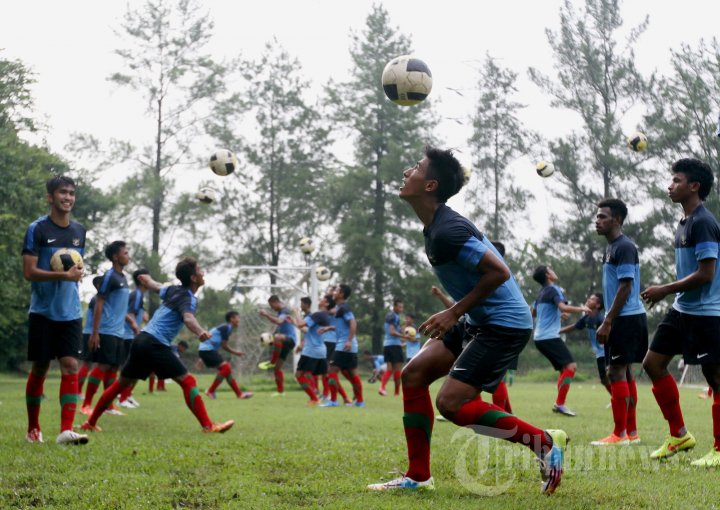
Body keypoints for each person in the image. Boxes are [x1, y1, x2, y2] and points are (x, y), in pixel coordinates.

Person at [368, 146, 567, 495]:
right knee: (413, 375)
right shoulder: (434, 227)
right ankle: (418, 477)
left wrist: (453, 311)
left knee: (452, 405)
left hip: (504, 324)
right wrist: (459, 312)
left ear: (430, 185)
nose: (406, 172)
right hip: (479, 319)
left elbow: (498, 272)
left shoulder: (448, 230)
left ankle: (544, 443)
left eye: (415, 167)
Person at [80, 257, 234, 434]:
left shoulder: (172, 289)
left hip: (141, 340)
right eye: (200, 270)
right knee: (188, 381)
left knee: (120, 384)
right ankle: (208, 426)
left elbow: (155, 285)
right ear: (193, 278)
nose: (203, 273)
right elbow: (188, 318)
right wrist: (200, 332)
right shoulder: (188, 298)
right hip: (155, 343)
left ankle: (90, 423)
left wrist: (145, 279)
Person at [641, 158, 720, 466]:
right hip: (681, 309)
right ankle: (679, 435)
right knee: (653, 363)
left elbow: (706, 274)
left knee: (715, 378)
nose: (670, 186)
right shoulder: (684, 222)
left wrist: (664, 289)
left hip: (707, 313)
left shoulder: (703, 222)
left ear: (694, 186)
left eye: (676, 180)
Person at [22, 175, 89, 445]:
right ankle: (33, 429)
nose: (68, 197)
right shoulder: (37, 229)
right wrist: (64, 275)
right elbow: (29, 272)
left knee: (71, 366)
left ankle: (66, 431)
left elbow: (75, 266)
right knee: (40, 368)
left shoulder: (79, 231)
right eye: (62, 192)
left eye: (71, 193)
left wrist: (77, 273)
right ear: (50, 197)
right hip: (43, 312)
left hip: (71, 311)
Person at [589, 199, 647, 445]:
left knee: (615, 372)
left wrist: (608, 320)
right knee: (625, 371)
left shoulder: (624, 246)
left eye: (602, 216)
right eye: (597, 216)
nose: (597, 221)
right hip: (625, 317)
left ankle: (619, 434)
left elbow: (626, 286)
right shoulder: (611, 247)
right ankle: (631, 432)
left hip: (625, 318)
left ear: (617, 219)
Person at [80, 241, 131, 416]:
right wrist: (95, 333)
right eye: (125, 253)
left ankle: (108, 405)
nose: (128, 255)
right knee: (102, 366)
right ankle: (86, 404)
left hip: (119, 332)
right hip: (106, 330)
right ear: (116, 257)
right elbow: (100, 303)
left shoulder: (123, 277)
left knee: (113, 368)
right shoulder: (110, 276)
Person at [531, 265, 589, 416]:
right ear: (548, 275)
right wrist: (583, 309)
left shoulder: (540, 293)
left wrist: (556, 314)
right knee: (571, 367)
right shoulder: (554, 289)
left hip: (539, 338)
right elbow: (564, 307)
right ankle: (560, 404)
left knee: (564, 370)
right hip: (549, 336)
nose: (553, 271)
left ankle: (560, 404)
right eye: (551, 269)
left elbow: (534, 313)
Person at [321, 284, 365, 407]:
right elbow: (341, 325)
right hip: (348, 345)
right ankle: (360, 401)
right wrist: (329, 328)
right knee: (352, 373)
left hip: (344, 344)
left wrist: (349, 340)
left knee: (331, 370)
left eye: (336, 290)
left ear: (341, 294)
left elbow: (353, 323)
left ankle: (333, 400)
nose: (334, 292)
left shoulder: (344, 308)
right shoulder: (340, 308)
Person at [560, 293, 610, 394]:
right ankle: (615, 398)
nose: (588, 300)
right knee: (604, 380)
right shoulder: (586, 318)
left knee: (611, 376)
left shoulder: (601, 319)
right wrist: (557, 331)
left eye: (592, 299)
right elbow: (574, 326)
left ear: (598, 305)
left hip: (606, 353)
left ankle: (619, 398)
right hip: (599, 354)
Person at [200, 311, 253, 400]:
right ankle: (210, 390)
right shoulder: (226, 328)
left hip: (207, 351)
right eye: (238, 318)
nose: (239, 320)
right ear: (232, 319)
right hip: (207, 350)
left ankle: (239, 394)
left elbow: (216, 343)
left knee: (227, 372)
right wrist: (236, 352)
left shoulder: (227, 328)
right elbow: (224, 346)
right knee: (226, 368)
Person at [117, 268, 150, 408]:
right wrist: (136, 327)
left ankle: (127, 395)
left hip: (131, 335)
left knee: (136, 367)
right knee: (131, 368)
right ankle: (122, 397)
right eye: (149, 277)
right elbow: (128, 313)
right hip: (128, 335)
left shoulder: (139, 296)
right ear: (142, 280)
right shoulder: (136, 294)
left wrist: (143, 314)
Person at [292, 297, 330, 405]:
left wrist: (296, 313)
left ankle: (314, 397)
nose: (300, 305)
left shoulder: (313, 316)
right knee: (322, 374)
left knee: (299, 375)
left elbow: (301, 325)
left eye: (301, 303)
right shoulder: (322, 317)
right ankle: (325, 395)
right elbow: (308, 331)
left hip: (311, 351)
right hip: (321, 351)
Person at [258, 295, 297, 396]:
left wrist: (266, 314)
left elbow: (279, 321)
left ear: (276, 302)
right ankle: (280, 392)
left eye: (272, 306)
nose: (272, 308)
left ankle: (272, 361)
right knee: (277, 369)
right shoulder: (280, 312)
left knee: (277, 337)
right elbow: (280, 325)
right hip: (284, 342)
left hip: (290, 339)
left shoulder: (285, 310)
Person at [379, 299, 411, 396]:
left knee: (389, 369)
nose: (401, 309)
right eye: (399, 307)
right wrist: (404, 336)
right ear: (394, 306)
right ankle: (396, 393)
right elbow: (392, 332)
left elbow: (394, 330)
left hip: (387, 345)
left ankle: (382, 388)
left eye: (402, 307)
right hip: (395, 346)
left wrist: (403, 326)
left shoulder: (390, 316)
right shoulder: (394, 316)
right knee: (397, 370)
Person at [78, 276, 104, 397]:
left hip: (93, 333)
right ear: (98, 285)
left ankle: (85, 389)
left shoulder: (99, 298)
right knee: (87, 363)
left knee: (94, 363)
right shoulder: (96, 299)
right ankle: (77, 391)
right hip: (90, 333)